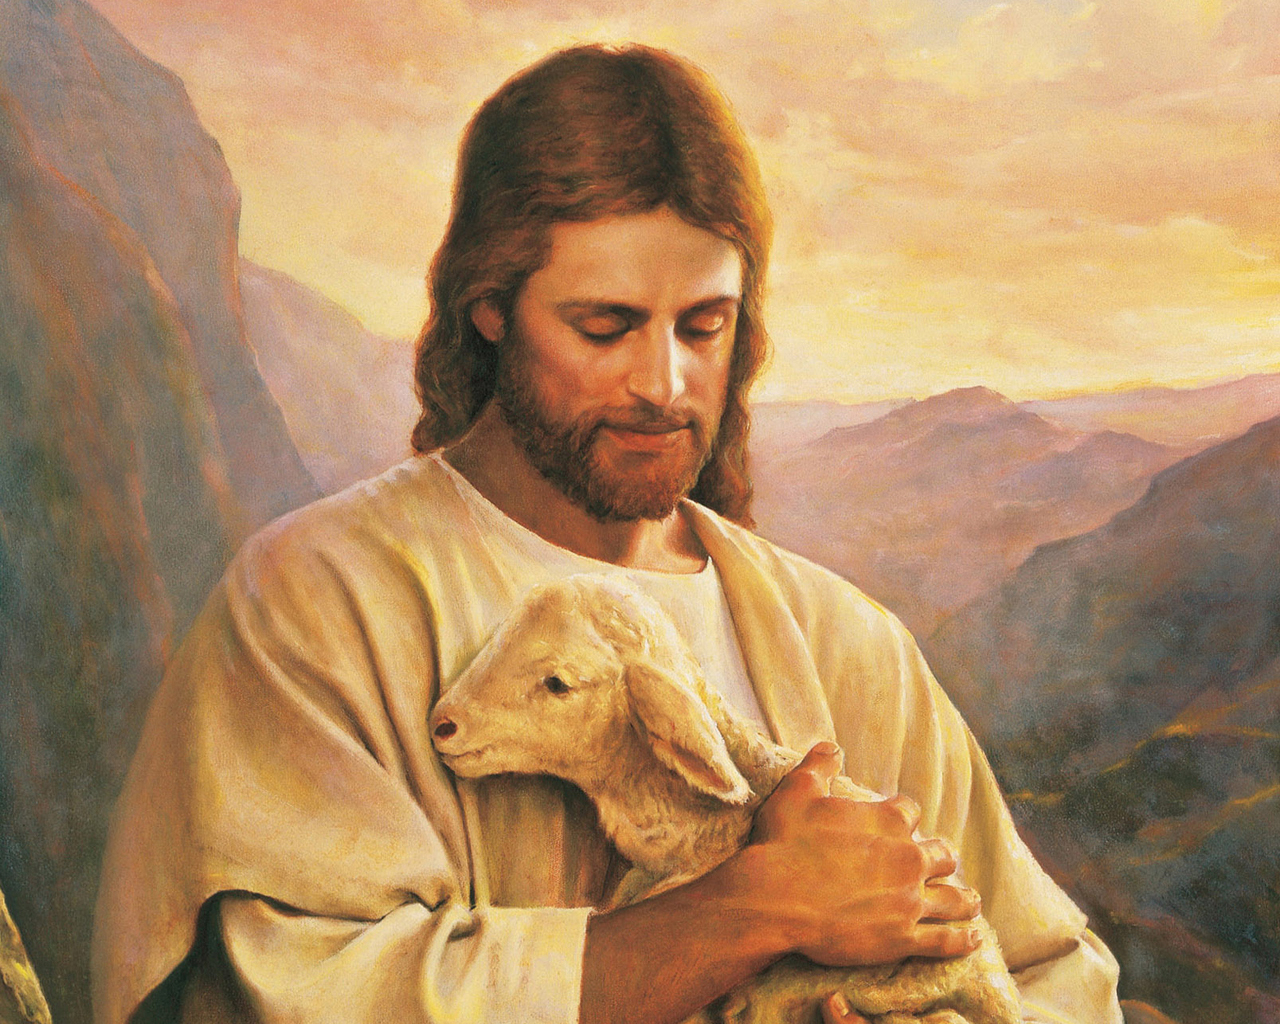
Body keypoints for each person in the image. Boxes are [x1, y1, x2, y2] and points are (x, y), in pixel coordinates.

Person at [92, 43, 1123, 1024]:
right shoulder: (318, 602)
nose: (662, 383)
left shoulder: (844, 646)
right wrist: (759, 907)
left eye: (703, 326)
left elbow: (1051, 976)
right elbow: (309, 992)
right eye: (605, 326)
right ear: (490, 306)